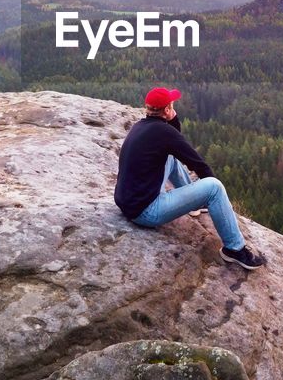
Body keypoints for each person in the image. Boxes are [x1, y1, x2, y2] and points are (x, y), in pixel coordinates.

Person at [114, 86, 266, 270]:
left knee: (169, 156)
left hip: (128, 202)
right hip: (146, 212)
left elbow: (173, 142)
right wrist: (216, 194)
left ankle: (195, 206)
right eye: (172, 105)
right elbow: (197, 163)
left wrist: (173, 121)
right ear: (167, 110)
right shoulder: (164, 133)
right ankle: (234, 249)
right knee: (214, 187)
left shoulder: (142, 126)